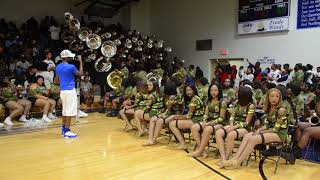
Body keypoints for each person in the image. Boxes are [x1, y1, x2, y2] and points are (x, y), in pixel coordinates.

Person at [55, 49, 83, 138]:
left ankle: (64, 129)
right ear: (66, 57)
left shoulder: (58, 67)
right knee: (69, 111)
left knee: (65, 110)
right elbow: (81, 74)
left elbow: (56, 81)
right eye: (70, 56)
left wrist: (64, 83)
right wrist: (81, 62)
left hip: (62, 91)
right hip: (70, 90)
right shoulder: (71, 67)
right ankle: (67, 131)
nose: (72, 57)